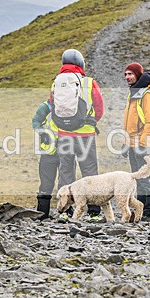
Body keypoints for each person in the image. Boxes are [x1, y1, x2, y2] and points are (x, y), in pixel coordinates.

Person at [51, 49, 104, 222]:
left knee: (66, 171)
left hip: (64, 135)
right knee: (89, 172)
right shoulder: (89, 82)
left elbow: (53, 106)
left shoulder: (56, 83)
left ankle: (65, 210)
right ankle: (94, 212)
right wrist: (90, 122)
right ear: (81, 63)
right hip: (85, 135)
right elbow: (99, 107)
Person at [123, 62, 150, 221]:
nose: (127, 77)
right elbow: (130, 121)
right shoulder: (134, 93)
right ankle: (142, 209)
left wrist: (144, 144)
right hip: (133, 143)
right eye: (125, 74)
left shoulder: (148, 94)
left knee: (147, 177)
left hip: (144, 144)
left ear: (138, 75)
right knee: (138, 177)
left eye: (130, 74)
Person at [32, 100, 58, 219]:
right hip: (49, 151)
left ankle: (65, 213)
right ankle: (42, 214)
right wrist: (44, 133)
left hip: (64, 151)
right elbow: (36, 121)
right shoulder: (46, 106)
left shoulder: (73, 106)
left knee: (66, 182)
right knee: (47, 183)